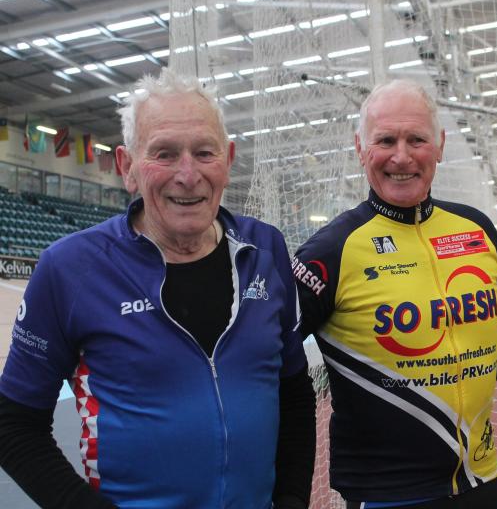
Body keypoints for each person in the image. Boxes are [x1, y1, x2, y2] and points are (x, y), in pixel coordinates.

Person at [0, 68, 315, 509]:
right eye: (164, 154)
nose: (187, 175)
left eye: (204, 152)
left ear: (227, 158)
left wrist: (292, 499)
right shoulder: (72, 268)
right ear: (127, 167)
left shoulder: (265, 249)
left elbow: (294, 391)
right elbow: (14, 423)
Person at [293, 79, 497, 509]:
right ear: (360, 148)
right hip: (387, 497)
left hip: (484, 484)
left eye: (416, 139)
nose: (402, 156)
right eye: (385, 140)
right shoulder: (330, 251)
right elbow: (271, 370)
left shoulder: (476, 231)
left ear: (438, 144)